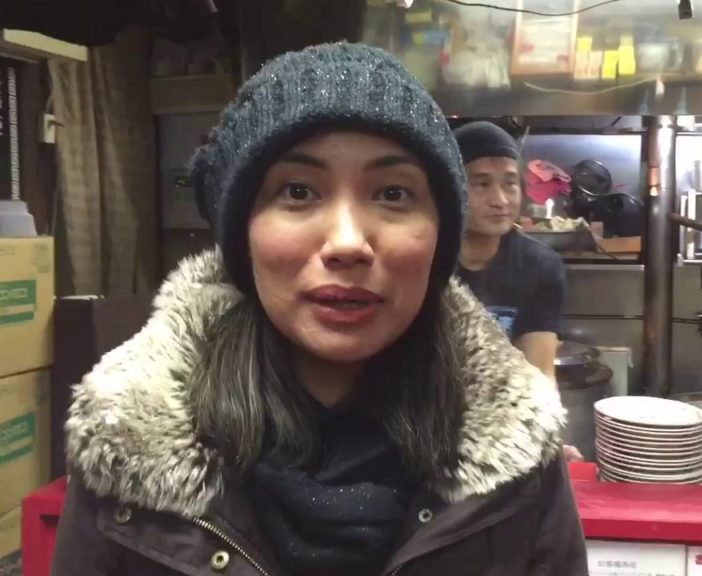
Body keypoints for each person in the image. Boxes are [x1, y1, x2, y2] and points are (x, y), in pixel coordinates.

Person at [52, 43, 586, 576]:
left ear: (439, 237)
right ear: (243, 236)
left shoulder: (517, 457)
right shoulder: (125, 443)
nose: (348, 242)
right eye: (299, 191)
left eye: (394, 194)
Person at [452, 121, 567, 380]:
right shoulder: (424, 261)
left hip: (502, 406)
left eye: (510, 183)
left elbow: (539, 376)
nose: (500, 200)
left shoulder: (540, 266)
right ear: (451, 189)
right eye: (481, 184)